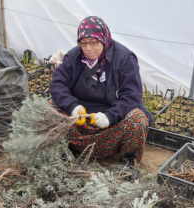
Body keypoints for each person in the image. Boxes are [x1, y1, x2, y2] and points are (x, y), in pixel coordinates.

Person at [49, 16, 154, 171]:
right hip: (79, 119)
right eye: (83, 43)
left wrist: (110, 116)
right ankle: (69, 152)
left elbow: (132, 95)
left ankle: (127, 162)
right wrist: (72, 107)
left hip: (111, 124)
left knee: (137, 119)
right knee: (50, 109)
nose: (88, 48)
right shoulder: (74, 56)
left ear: (103, 39)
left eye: (93, 42)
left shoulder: (124, 58)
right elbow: (58, 84)